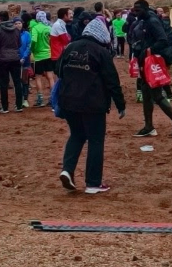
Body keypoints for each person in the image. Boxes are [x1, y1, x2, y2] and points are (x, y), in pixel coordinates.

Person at [55, 15, 128, 194]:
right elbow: (112, 81)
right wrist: (120, 104)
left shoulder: (70, 47)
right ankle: (93, 183)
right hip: (93, 103)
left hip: (68, 101)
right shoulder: (101, 52)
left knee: (77, 135)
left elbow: (59, 71)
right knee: (96, 140)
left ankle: (67, 170)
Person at [126, 0, 172, 137]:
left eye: (138, 10)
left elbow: (163, 40)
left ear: (145, 9)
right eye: (134, 10)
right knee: (146, 93)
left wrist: (148, 49)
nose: (136, 13)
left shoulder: (152, 21)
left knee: (157, 95)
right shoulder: (143, 21)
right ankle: (149, 126)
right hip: (144, 62)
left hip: (151, 62)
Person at [0, 10, 26, 112]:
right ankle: (19, 105)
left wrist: (2, 50)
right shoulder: (16, 29)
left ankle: (5, 107)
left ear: (0, 18)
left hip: (3, 58)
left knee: (4, 83)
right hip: (15, 57)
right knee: (17, 82)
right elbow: (19, 44)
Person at [27, 10, 55, 108]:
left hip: (38, 56)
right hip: (48, 54)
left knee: (38, 77)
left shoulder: (35, 28)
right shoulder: (49, 27)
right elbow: (52, 40)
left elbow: (33, 40)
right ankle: (52, 98)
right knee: (50, 76)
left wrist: (32, 49)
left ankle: (40, 99)